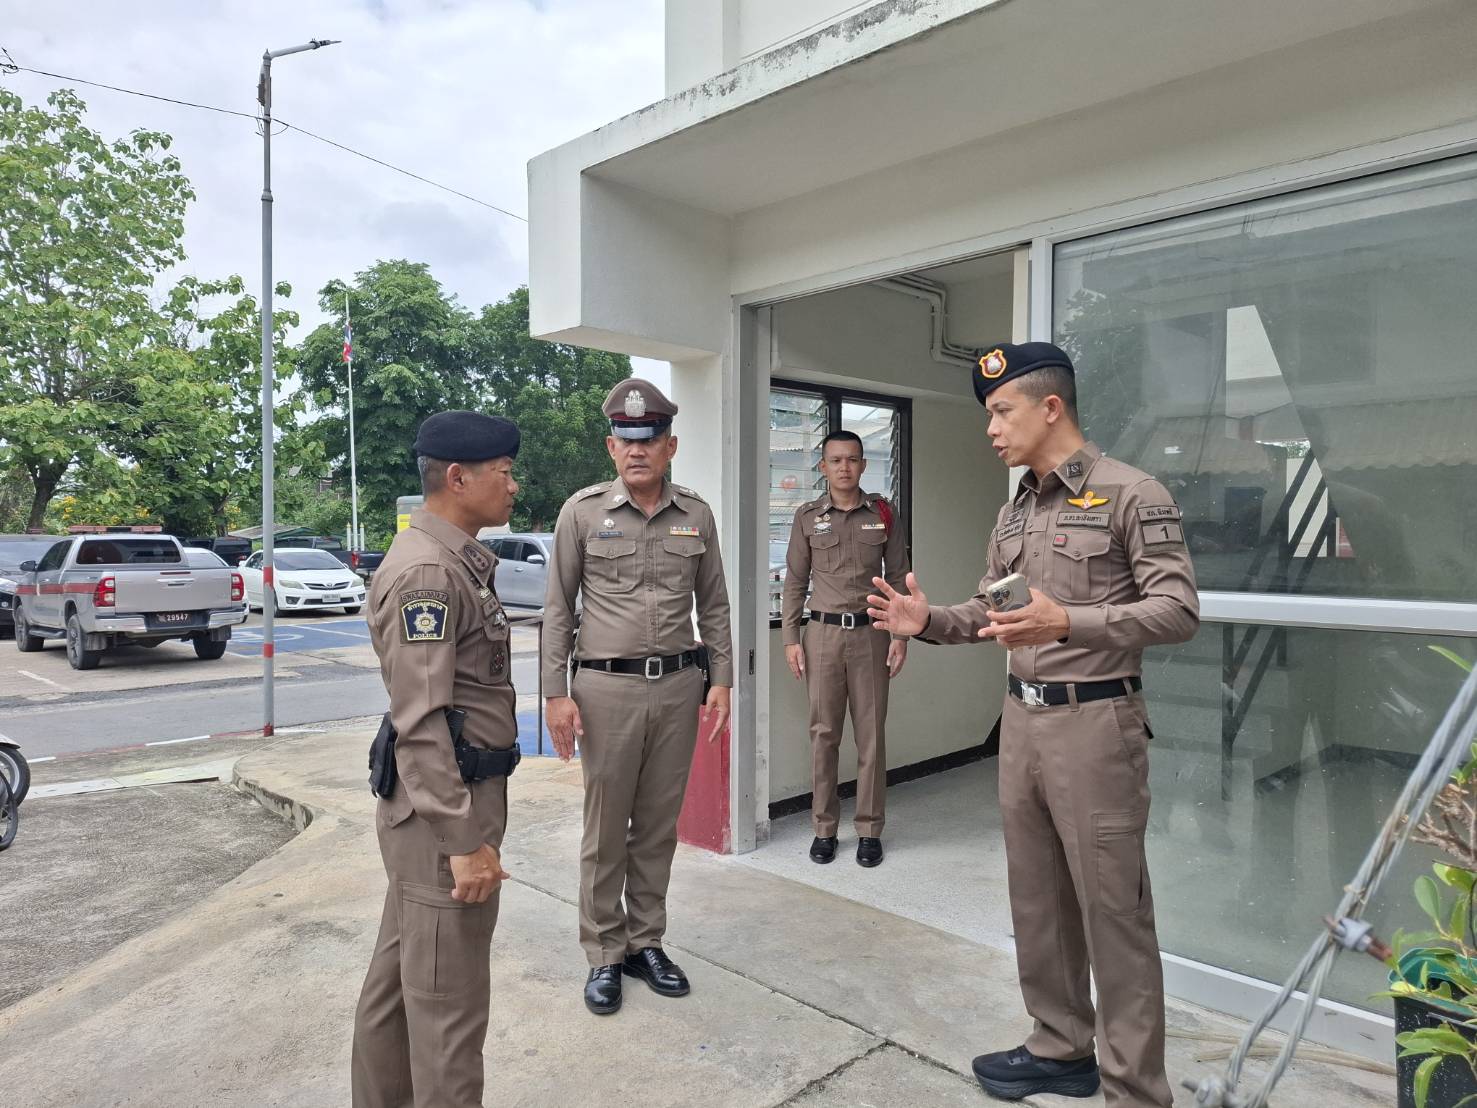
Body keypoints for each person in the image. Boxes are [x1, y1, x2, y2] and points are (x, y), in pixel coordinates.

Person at [867, 342, 1198, 1107]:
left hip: (1096, 724)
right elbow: (995, 611)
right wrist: (927, 620)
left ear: (1050, 408)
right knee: (1037, 899)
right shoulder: (1015, 508)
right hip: (1020, 723)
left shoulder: (1131, 493)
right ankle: (1059, 1046)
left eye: (1000, 411)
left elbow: (1176, 610)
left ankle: (1135, 1090)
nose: (990, 429)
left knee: (1113, 912)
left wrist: (1069, 622)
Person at [541, 377, 734, 1017]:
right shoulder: (582, 513)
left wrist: (722, 679)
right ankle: (604, 951)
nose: (637, 450)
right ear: (611, 446)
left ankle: (645, 942)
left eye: (649, 438)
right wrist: (555, 694)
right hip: (605, 690)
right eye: (626, 440)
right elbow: (558, 609)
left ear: (669, 445)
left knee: (656, 825)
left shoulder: (696, 515)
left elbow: (714, 605)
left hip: (678, 688)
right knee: (606, 827)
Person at [351, 410, 523, 1108]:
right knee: (449, 1015)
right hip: (443, 813)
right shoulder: (429, 571)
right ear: (458, 478)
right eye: (504, 472)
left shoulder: (450, 558)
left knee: (398, 991)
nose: (513, 485)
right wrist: (463, 842)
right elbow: (420, 722)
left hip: (436, 805)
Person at [782, 430, 910, 867]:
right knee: (824, 735)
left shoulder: (883, 514)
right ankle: (824, 828)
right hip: (822, 636)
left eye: (852, 459)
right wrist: (790, 638)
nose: (844, 467)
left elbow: (898, 578)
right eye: (835, 460)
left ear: (863, 465)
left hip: (872, 634)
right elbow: (795, 581)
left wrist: (900, 635)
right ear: (823, 467)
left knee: (871, 735)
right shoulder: (807, 517)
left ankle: (870, 830)